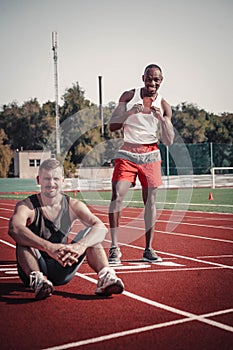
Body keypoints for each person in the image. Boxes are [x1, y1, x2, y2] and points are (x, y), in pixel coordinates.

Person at [8, 158, 124, 300]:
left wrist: (79, 246)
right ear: (38, 180)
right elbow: (14, 228)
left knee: (91, 235)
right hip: (35, 264)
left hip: (62, 264)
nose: (51, 183)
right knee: (23, 239)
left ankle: (106, 276)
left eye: (55, 179)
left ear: (62, 181)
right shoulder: (27, 206)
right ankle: (38, 280)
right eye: (46, 179)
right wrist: (49, 247)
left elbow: (101, 227)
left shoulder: (72, 205)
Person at [108, 64, 174, 264]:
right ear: (142, 78)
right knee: (117, 195)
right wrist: (129, 113)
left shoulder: (164, 105)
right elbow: (112, 126)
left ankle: (148, 249)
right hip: (128, 150)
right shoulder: (128, 96)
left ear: (161, 81)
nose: (152, 83)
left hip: (150, 153)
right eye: (149, 78)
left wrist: (161, 119)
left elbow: (169, 140)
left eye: (156, 80)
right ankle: (114, 248)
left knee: (151, 203)